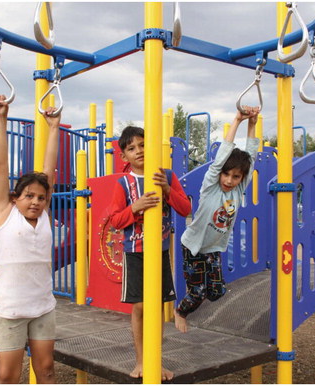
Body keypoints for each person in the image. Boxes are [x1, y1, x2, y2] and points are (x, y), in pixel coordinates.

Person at [110, 126, 191, 380]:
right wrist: (135, 207)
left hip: (160, 251)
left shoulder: (165, 175)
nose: (139, 151)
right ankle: (141, 361)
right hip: (135, 252)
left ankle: (156, 360)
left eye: (143, 145)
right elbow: (115, 221)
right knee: (141, 306)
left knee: (156, 307)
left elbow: (185, 208)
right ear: (124, 157)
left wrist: (167, 190)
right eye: (132, 148)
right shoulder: (123, 183)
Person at [0, 94, 60, 383]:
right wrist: (1, 118)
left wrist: (53, 127)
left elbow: (49, 171)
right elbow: (0, 166)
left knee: (46, 370)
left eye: (41, 197)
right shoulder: (5, 213)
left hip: (42, 306)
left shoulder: (43, 216)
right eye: (28, 196)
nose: (35, 202)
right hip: (11, 308)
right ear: (14, 198)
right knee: (8, 375)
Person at [174, 106, 260, 333]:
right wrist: (238, 120)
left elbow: (251, 157)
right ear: (220, 172)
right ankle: (180, 311)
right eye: (227, 174)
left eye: (236, 177)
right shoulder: (211, 187)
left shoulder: (237, 191)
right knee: (198, 291)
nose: (230, 180)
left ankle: (190, 305)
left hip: (213, 249)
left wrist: (253, 124)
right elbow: (221, 157)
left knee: (217, 291)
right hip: (193, 247)